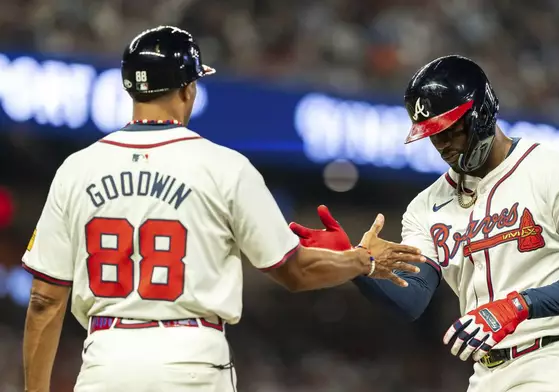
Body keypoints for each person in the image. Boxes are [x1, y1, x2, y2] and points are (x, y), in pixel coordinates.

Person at [21, 25, 426, 392]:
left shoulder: (76, 169)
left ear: (131, 89)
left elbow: (44, 300)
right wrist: (362, 261)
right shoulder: (224, 166)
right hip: (193, 361)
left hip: (105, 361)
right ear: (188, 89)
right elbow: (296, 271)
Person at [289, 55, 559, 392]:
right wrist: (352, 262)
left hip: (556, 357)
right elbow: (413, 299)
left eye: (450, 130)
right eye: (433, 135)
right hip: (486, 373)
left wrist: (517, 305)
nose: (443, 145)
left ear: (481, 110)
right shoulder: (425, 207)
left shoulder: (555, 170)